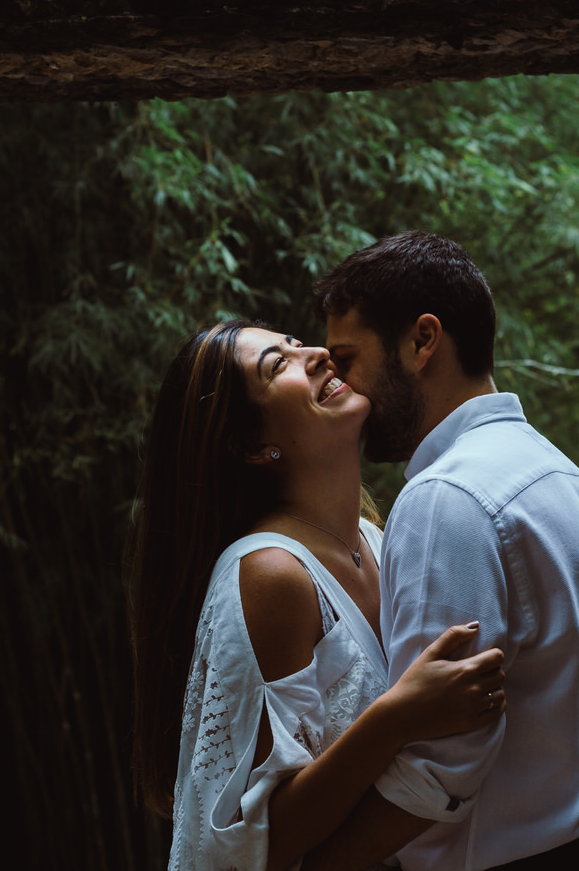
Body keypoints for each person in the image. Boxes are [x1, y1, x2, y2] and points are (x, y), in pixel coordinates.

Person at [303, 231, 579, 871]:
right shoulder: (559, 475)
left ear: (422, 340)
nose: (342, 386)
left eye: (347, 359)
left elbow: (440, 763)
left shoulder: (445, 498)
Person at [127, 319, 509, 871]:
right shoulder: (271, 575)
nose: (318, 354)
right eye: (277, 364)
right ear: (253, 447)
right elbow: (257, 841)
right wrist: (396, 717)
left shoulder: (382, 542)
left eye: (294, 342)